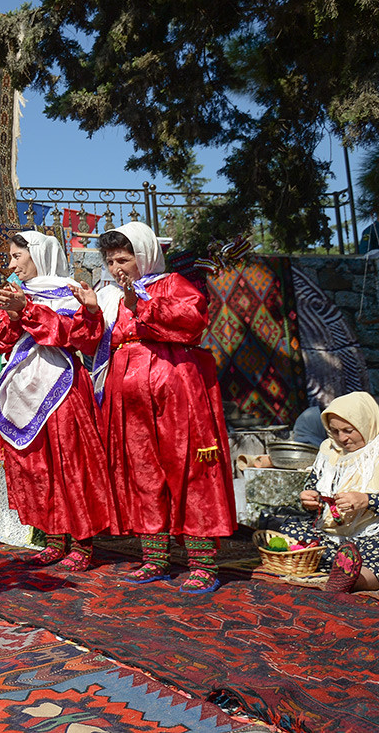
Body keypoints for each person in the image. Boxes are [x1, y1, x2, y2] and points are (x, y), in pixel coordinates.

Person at [94, 222, 236, 594]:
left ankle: (203, 562)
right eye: (110, 261)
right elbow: (92, 340)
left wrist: (141, 304)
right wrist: (92, 311)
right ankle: (154, 557)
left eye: (123, 259)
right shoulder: (109, 296)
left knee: (188, 468)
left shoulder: (172, 284)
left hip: (174, 389)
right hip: (128, 395)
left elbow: (193, 322)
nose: (116, 269)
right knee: (142, 472)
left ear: (144, 255)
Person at [0, 232, 117, 571]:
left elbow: (80, 337)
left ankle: (82, 542)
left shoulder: (70, 291)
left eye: (18, 256)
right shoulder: (20, 294)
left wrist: (26, 310)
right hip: (23, 387)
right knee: (39, 464)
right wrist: (11, 316)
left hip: (62, 387)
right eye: (12, 257)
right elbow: (3, 342)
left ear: (39, 255)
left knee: (70, 464)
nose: (12, 264)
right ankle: (54, 536)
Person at [278, 392, 379, 592]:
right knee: (290, 529)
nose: (342, 438)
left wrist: (369, 501)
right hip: (336, 534)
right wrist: (310, 498)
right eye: (335, 431)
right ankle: (344, 566)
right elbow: (315, 485)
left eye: (348, 430)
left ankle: (355, 579)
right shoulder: (329, 449)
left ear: (366, 423)